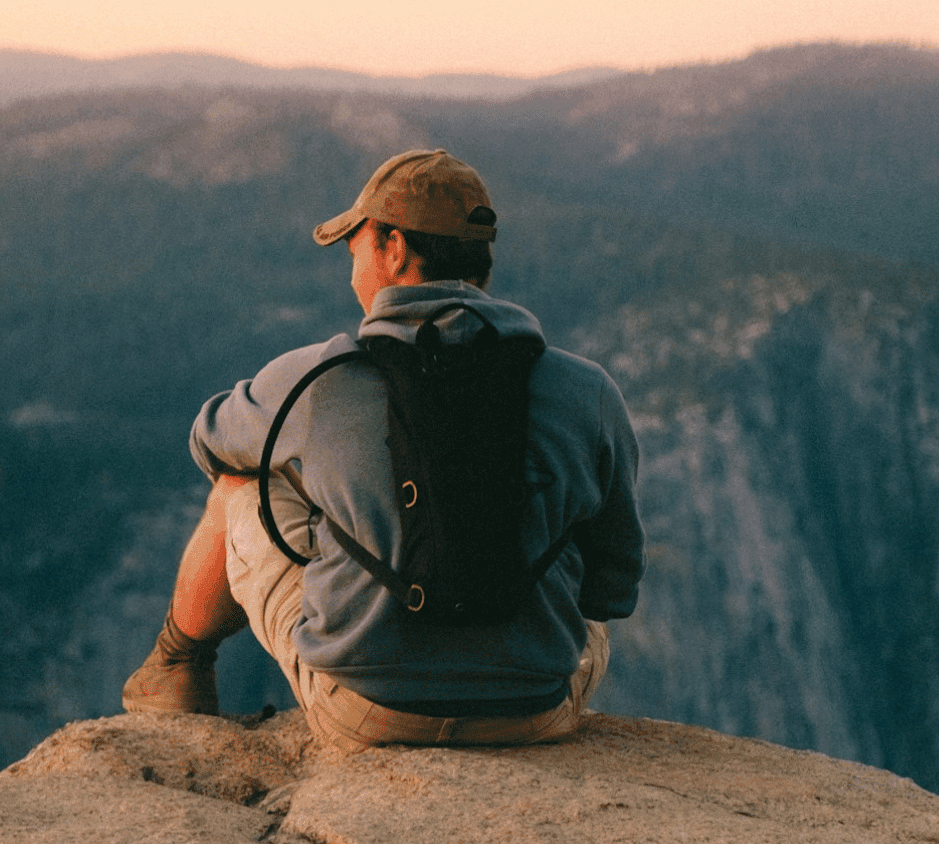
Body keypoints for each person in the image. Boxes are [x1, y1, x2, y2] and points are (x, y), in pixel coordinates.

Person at [121, 149, 643, 751]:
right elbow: (612, 590)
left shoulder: (317, 380)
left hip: (366, 716)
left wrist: (339, 497)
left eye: (356, 250)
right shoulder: (588, 390)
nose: (352, 272)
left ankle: (175, 672)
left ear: (394, 249)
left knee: (240, 485)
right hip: (531, 715)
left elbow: (209, 441)